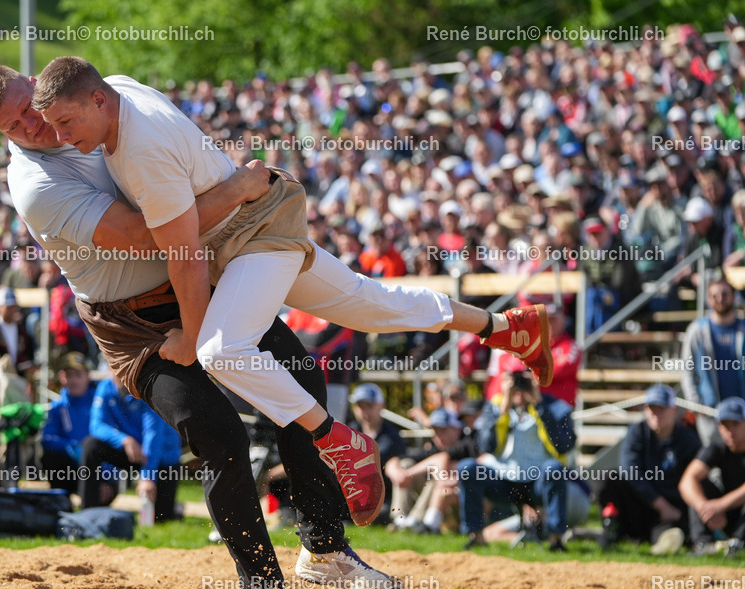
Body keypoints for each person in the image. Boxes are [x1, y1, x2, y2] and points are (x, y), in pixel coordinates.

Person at [29, 57, 555, 529]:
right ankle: (506, 327)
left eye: (67, 122)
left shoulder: (140, 150)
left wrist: (189, 336)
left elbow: (183, 256)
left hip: (252, 237)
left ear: (98, 98)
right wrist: (233, 186)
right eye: (52, 126)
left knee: (218, 350)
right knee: (372, 305)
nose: (61, 137)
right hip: (253, 228)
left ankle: (341, 443)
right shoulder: (118, 87)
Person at [0, 65, 400, 589]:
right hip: (135, 323)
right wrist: (238, 190)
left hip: (199, 278)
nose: (32, 126)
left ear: (42, 86)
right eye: (13, 126)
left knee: (301, 380)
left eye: (31, 108)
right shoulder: (34, 184)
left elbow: (183, 168)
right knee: (219, 433)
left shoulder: (106, 101)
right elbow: (146, 236)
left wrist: (228, 195)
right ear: (1, 134)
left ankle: (324, 548)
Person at [457, 370, 577, 551]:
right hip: (502, 481)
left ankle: (556, 540)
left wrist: (540, 406)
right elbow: (485, 447)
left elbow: (564, 445)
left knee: (554, 468)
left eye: (526, 379)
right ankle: (476, 536)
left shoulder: (556, 407)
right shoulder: (495, 405)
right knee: (467, 468)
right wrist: (503, 407)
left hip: (538, 481)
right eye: (515, 380)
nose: (519, 386)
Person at [599, 384, 699, 554]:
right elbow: (629, 470)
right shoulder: (637, 432)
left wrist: (672, 509)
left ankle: (669, 538)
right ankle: (612, 529)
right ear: (645, 410)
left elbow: (696, 478)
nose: (656, 414)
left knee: (669, 533)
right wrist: (660, 504)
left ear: (674, 410)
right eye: (652, 408)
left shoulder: (689, 441)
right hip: (639, 505)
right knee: (608, 477)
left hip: (671, 511)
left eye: (661, 408)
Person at [80, 372, 183, 522]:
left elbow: (153, 437)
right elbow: (96, 425)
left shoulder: (148, 389)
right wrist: (124, 440)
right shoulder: (106, 387)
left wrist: (147, 476)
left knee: (161, 519)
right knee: (91, 445)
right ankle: (87, 513)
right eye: (115, 368)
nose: (120, 373)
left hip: (161, 458)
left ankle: (175, 509)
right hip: (131, 452)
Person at [681, 277, 745, 446]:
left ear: (734, 296)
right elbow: (687, 371)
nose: (720, 299)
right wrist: (696, 404)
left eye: (725, 294)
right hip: (711, 416)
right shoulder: (697, 330)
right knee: (714, 465)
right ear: (708, 299)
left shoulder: (742, 328)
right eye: (715, 295)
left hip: (742, 416)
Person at [394, 408, 479, 535]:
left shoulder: (468, 445)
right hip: (444, 505)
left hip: (463, 506)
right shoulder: (435, 447)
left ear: (456, 429)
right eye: (435, 431)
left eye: (443, 430)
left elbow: (441, 459)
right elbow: (397, 459)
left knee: (437, 481)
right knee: (405, 464)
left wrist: (408, 474)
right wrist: (396, 472)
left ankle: (419, 522)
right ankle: (399, 519)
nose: (438, 436)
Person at [679, 396, 745, 558]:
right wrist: (705, 508)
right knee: (698, 486)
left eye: (735, 424)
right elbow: (686, 481)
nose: (730, 431)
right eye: (724, 425)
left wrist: (721, 505)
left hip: (734, 510)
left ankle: (739, 543)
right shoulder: (717, 448)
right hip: (725, 514)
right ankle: (703, 544)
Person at [346, 383, 409, 525]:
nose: (365, 411)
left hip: (382, 497)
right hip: (352, 495)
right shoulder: (349, 431)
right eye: (361, 406)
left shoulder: (392, 436)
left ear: (382, 406)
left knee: (381, 514)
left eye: (370, 406)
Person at [41, 352, 97, 491]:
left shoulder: (99, 403)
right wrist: (72, 446)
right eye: (69, 375)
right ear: (62, 378)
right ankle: (62, 503)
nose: (73, 380)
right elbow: (47, 438)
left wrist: (108, 478)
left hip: (98, 468)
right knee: (51, 456)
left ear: (87, 377)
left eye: (78, 374)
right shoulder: (57, 407)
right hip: (71, 468)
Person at [0, 287, 36, 373]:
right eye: (8, 307)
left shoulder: (20, 330)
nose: (12, 310)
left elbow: (27, 353)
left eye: (14, 306)